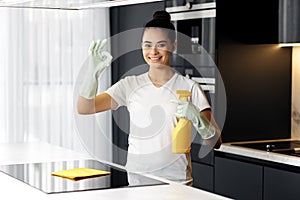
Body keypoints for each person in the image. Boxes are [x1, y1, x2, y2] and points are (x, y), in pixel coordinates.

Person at [77, 10, 222, 186]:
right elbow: (85, 108)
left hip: (176, 182)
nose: (153, 51)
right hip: (137, 179)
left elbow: (216, 142)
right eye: (147, 45)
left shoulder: (189, 87)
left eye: (161, 44)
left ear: (173, 46)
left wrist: (198, 120)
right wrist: (91, 73)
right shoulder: (129, 85)